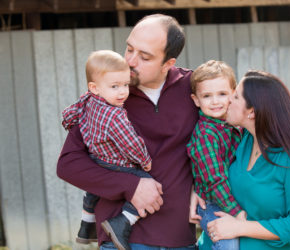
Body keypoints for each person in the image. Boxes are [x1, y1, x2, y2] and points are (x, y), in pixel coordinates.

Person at [57, 14, 200, 249]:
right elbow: (68, 164)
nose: (131, 61)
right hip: (122, 241)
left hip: (180, 240)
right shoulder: (106, 94)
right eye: (129, 49)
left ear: (168, 64)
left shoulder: (194, 88)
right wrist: (130, 185)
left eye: (144, 57)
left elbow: (224, 139)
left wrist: (203, 189)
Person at [197, 70, 290, 249]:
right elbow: (212, 168)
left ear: (252, 111)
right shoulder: (241, 139)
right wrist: (198, 191)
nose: (228, 99)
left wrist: (240, 228)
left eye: (236, 97)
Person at [61, 50, 154, 250]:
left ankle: (87, 225)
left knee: (93, 189)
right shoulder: (115, 115)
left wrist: (71, 125)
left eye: (125, 85)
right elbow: (131, 144)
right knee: (148, 183)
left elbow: (71, 113)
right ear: (94, 87)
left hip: (96, 158)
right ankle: (122, 222)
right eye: (114, 87)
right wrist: (145, 161)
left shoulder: (89, 100)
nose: (122, 92)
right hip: (116, 163)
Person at [186, 60, 246, 250]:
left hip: (235, 199)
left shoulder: (236, 124)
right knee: (228, 243)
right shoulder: (206, 135)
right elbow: (214, 180)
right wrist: (237, 213)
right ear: (196, 100)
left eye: (222, 94)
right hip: (213, 204)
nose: (215, 101)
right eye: (207, 96)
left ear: (233, 94)